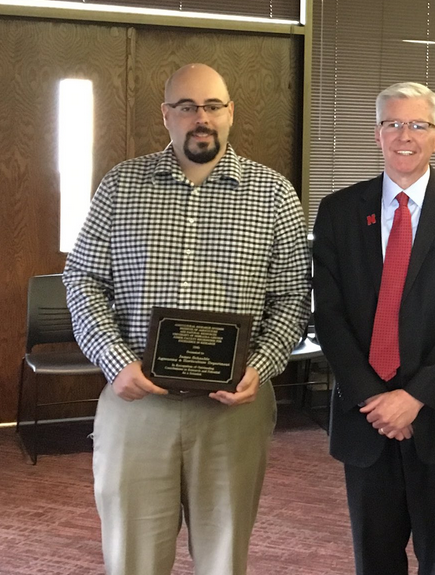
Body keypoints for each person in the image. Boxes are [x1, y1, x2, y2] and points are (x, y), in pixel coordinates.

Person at [63, 63, 310, 575]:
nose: (202, 118)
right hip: (137, 401)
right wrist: (114, 360)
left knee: (223, 558)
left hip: (233, 410)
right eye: (187, 107)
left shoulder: (274, 195)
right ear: (166, 115)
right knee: (132, 556)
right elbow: (83, 278)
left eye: (213, 106)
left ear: (230, 113)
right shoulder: (121, 186)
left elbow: (292, 300)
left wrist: (259, 368)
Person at [312, 82, 435, 575]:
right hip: (365, 416)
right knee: (375, 560)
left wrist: (413, 397)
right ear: (377, 135)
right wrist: (374, 399)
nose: (404, 135)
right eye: (392, 123)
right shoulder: (338, 211)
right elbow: (328, 314)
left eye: (418, 124)